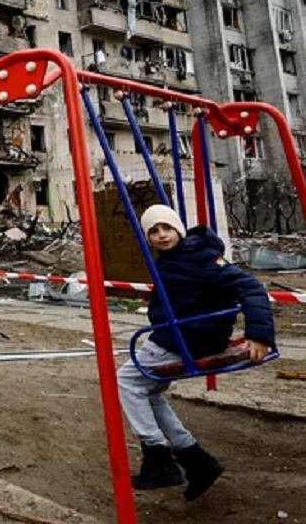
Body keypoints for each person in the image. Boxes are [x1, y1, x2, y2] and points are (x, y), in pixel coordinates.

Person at [117, 204, 275, 501]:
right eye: (154, 231)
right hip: (181, 335)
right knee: (148, 391)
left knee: (125, 380)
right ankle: (196, 461)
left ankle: (158, 457)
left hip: (190, 339)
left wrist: (259, 335)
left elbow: (250, 287)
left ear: (178, 228)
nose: (162, 235)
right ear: (147, 237)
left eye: (167, 228)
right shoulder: (171, 259)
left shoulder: (201, 257)